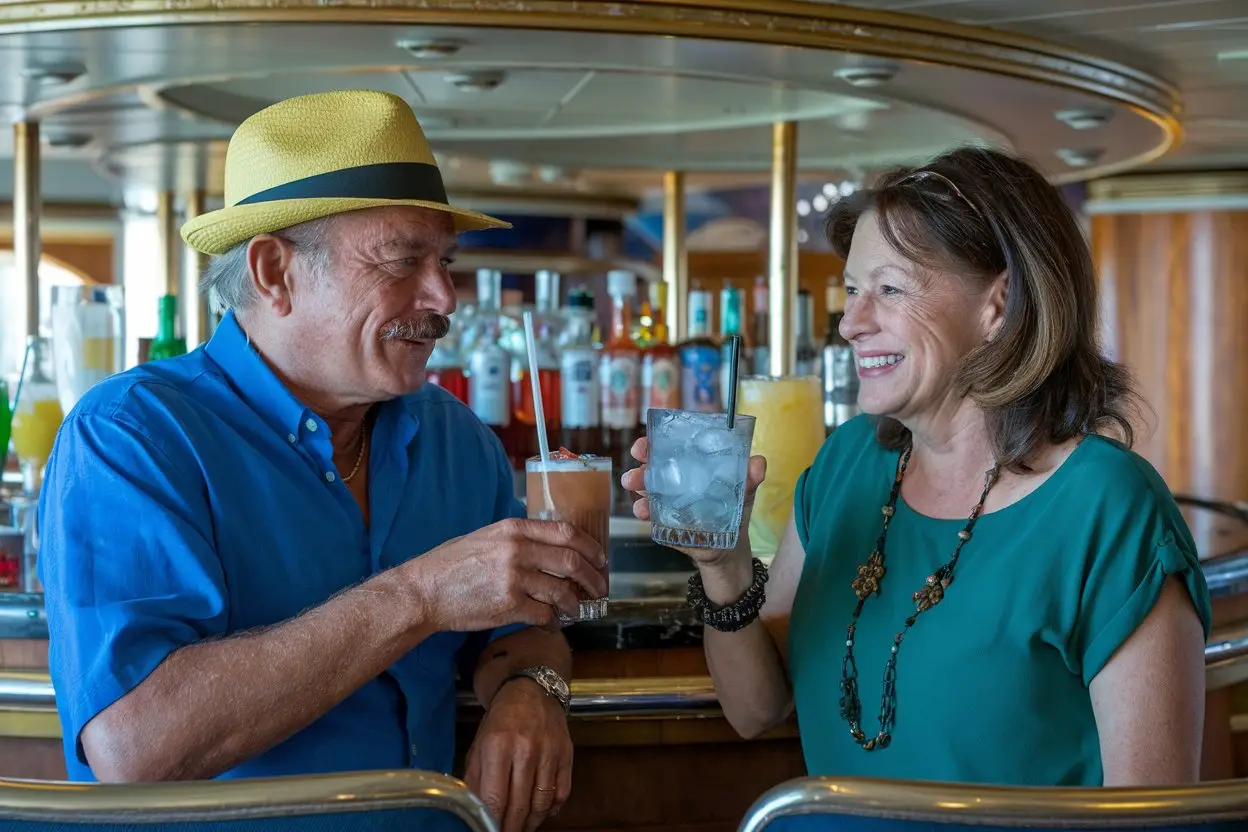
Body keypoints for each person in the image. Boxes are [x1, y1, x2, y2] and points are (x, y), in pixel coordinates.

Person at [39, 90, 605, 832]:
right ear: (274, 271)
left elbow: (521, 625)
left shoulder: (456, 440)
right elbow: (137, 749)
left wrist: (532, 688)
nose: (443, 297)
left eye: (444, 262)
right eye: (403, 260)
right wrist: (419, 595)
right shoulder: (131, 437)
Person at [624, 146, 1212, 787]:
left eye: (890, 289)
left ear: (999, 303)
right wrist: (724, 564)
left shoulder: (1108, 508)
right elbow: (755, 708)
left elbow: (1149, 818)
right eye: (851, 290)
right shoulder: (848, 463)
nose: (850, 322)